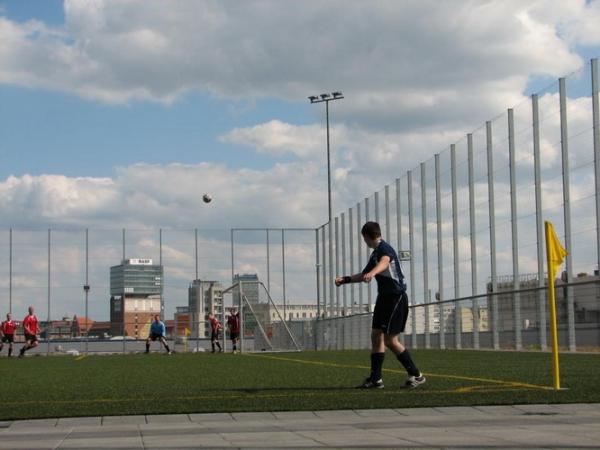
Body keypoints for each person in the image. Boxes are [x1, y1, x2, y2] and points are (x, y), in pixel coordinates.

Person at [335, 221, 426, 389]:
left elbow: (384, 262)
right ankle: (376, 379)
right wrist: (345, 279)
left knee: (391, 340)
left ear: (368, 237)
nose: (365, 242)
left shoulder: (385, 249)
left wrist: (373, 273)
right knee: (376, 335)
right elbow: (364, 274)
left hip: (395, 297)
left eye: (364, 239)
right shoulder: (375, 253)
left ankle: (416, 375)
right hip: (384, 298)